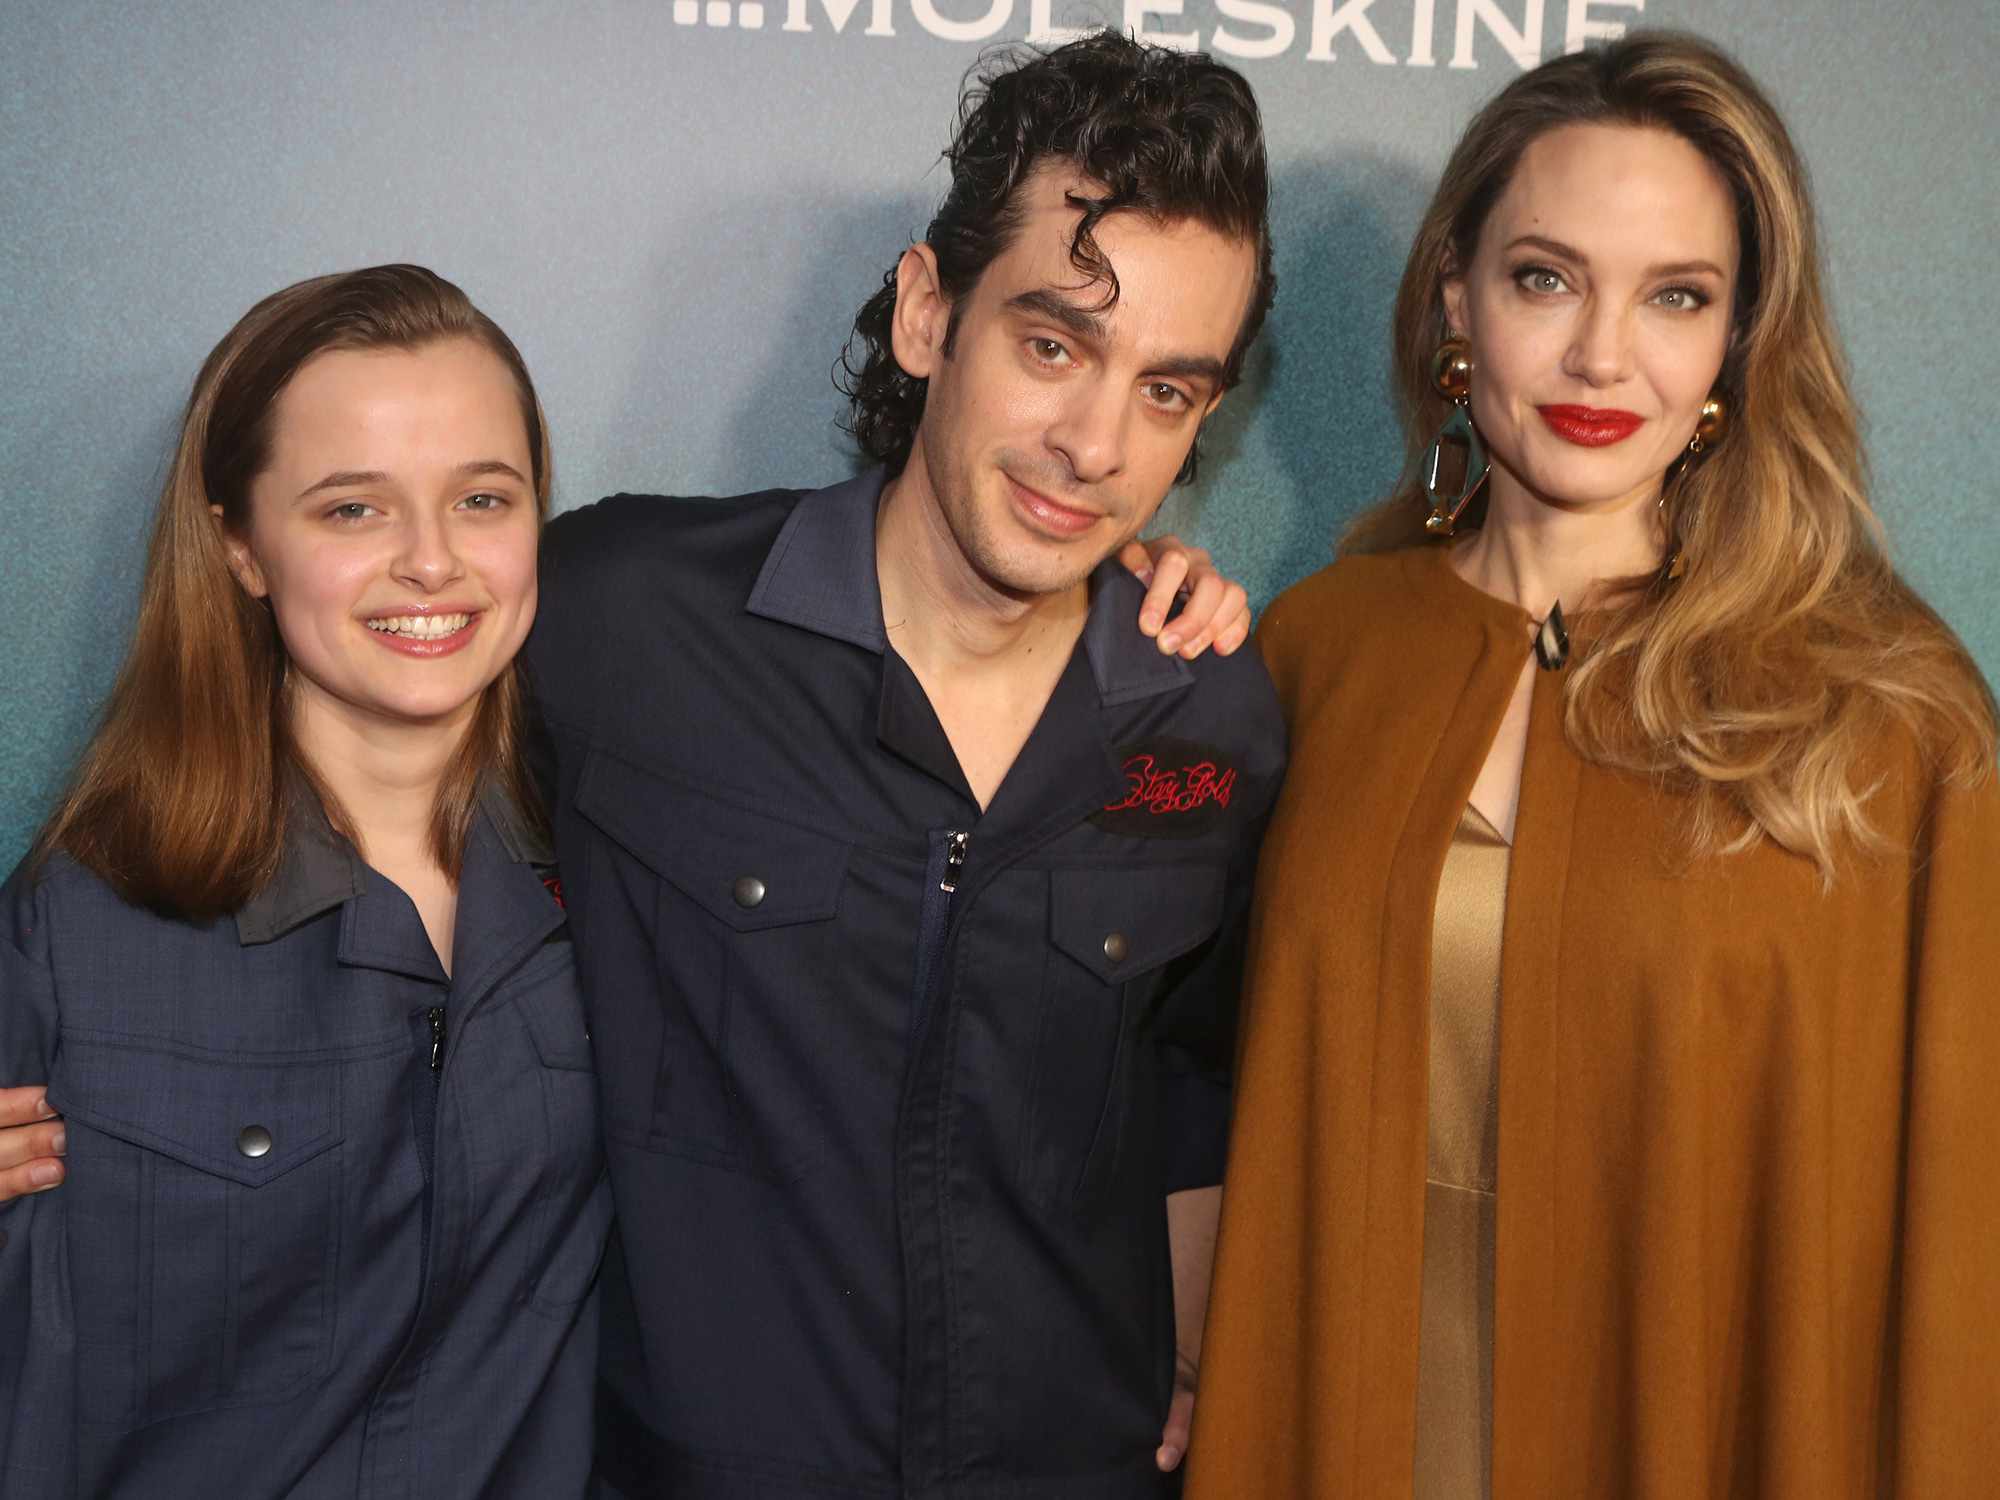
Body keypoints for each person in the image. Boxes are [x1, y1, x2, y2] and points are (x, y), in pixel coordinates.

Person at [1186, 30, 1998, 1500]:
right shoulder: (1316, 652)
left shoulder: (1886, 715)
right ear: (1456, 297)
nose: (1601, 355)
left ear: (1739, 340)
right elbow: (1181, 1075)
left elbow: (1953, 1251)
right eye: (1545, 277)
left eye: (1674, 295)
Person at [530, 31, 1283, 1499]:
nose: (1092, 444)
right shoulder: (625, 616)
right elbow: (294, 792)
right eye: (1054, 344)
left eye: (1168, 391)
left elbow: (1192, 1080)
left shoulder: (1211, 713)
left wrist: (1192, 1361)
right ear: (930, 313)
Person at [0, 265, 613, 1496]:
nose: (432, 562)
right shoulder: (81, 924)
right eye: (352, 510)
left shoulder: (629, 872)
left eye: (482, 497)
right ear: (239, 544)